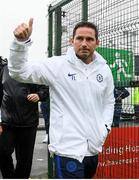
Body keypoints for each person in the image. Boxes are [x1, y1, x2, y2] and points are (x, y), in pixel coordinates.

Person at [8, 20, 115, 179]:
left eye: (89, 39)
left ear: (97, 43)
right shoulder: (57, 66)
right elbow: (20, 72)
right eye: (79, 38)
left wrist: (105, 127)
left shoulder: (104, 69)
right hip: (67, 151)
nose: (84, 43)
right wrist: (20, 44)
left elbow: (109, 101)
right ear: (71, 41)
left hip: (92, 149)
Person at [0, 57, 49, 179]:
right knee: (2, 153)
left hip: (28, 123)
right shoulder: (4, 69)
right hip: (7, 122)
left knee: (25, 160)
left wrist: (38, 95)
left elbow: (45, 89)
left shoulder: (33, 70)